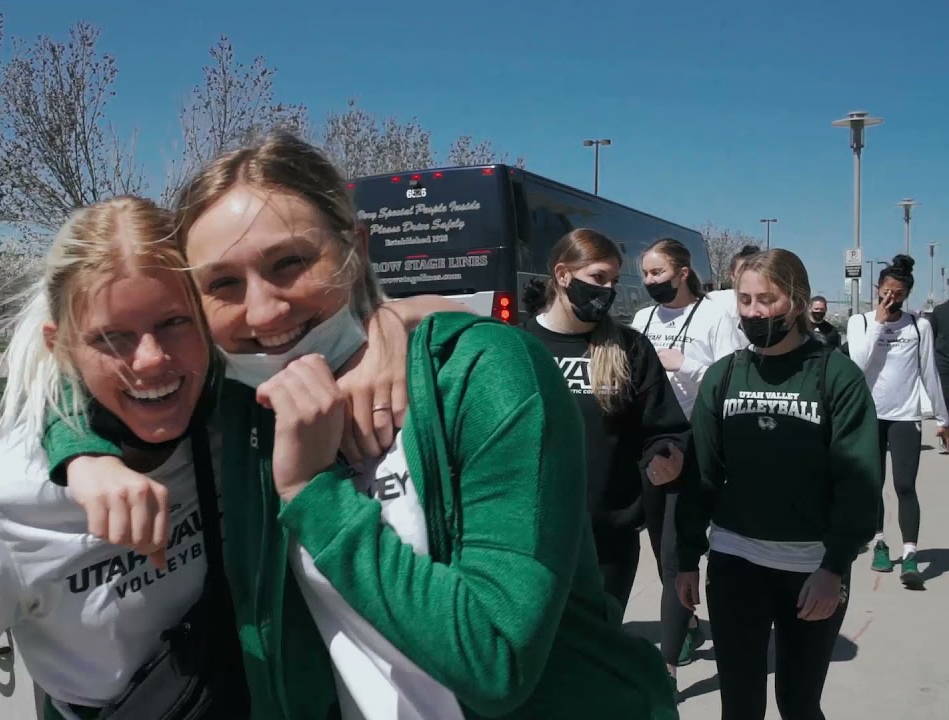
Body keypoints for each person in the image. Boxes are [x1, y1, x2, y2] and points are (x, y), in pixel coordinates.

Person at [49, 132, 681, 719]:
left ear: (354, 248)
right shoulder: (240, 399)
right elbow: (95, 374)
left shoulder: (479, 372)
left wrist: (310, 492)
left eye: (289, 262)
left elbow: (497, 659)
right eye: (223, 284)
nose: (263, 311)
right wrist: (83, 456)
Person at [0, 196, 430, 720]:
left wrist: (383, 330)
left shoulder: (239, 413)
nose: (150, 360)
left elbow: (443, 313)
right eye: (112, 338)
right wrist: (82, 457)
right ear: (60, 345)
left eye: (174, 322)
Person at [676, 248, 880, 720]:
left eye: (767, 299)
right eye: (745, 300)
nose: (754, 312)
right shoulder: (724, 376)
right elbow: (701, 474)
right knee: (739, 705)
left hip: (811, 569)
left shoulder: (836, 376)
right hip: (735, 563)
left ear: (797, 301)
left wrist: (834, 567)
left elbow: (859, 481)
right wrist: (686, 559)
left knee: (799, 703)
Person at [519, 229, 690, 619]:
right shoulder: (518, 345)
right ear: (563, 274)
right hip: (529, 539)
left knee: (598, 646)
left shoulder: (631, 348)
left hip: (607, 544)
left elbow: (665, 427)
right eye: (598, 277)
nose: (608, 290)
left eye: (613, 280)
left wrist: (667, 456)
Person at [630, 238, 744, 676]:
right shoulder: (643, 318)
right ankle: (688, 620)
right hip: (651, 443)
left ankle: (669, 665)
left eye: (658, 272)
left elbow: (733, 375)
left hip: (693, 441)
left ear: (682, 272)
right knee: (660, 549)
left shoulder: (714, 316)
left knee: (675, 552)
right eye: (645, 274)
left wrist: (688, 365)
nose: (650, 281)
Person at [846, 254, 949, 589]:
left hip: (905, 416)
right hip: (868, 416)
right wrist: (878, 322)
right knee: (873, 484)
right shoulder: (860, 323)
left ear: (907, 295)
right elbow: (857, 366)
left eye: (899, 293)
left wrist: (943, 417)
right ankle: (879, 544)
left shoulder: (918, 326)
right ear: (877, 289)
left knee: (905, 485)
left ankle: (910, 554)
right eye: (887, 291)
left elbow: (929, 372)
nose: (891, 298)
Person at [707, 243, 764, 323]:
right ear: (732, 276)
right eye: (742, 271)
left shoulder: (773, 306)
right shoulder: (713, 301)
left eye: (755, 271)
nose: (749, 277)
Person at [932, 297, 949, 454]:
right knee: (945, 401)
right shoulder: (939, 311)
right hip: (944, 363)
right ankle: (946, 438)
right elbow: (932, 336)